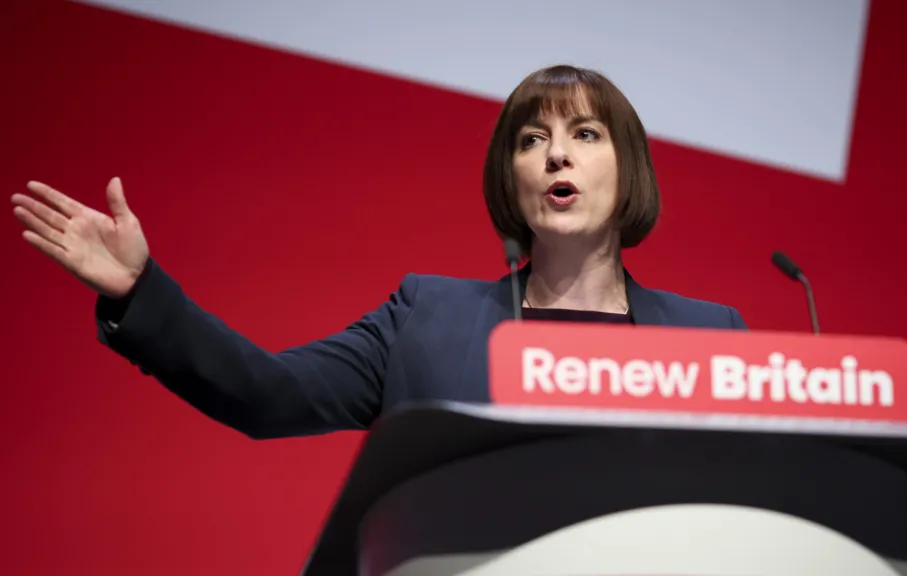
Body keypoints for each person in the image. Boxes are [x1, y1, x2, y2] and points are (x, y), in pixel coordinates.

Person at [10, 64, 747, 439]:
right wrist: (139, 289)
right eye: (532, 140)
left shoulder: (711, 339)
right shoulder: (426, 317)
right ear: (512, 178)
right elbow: (267, 394)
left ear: (629, 168)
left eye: (585, 134)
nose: (557, 154)